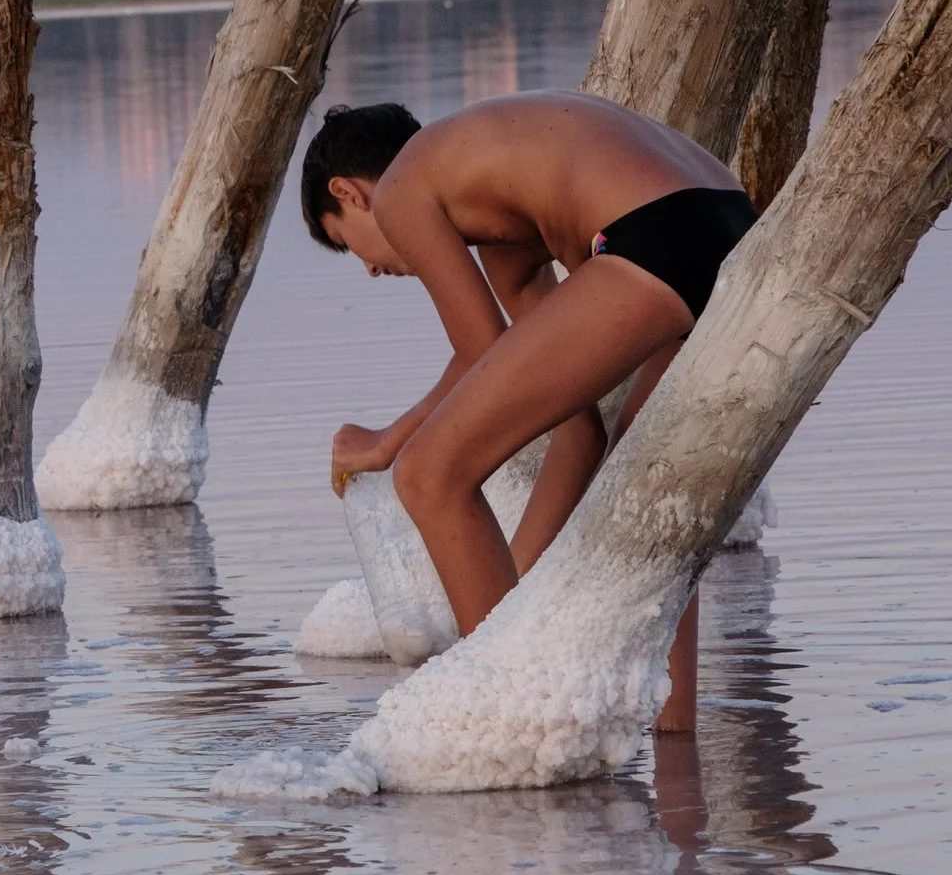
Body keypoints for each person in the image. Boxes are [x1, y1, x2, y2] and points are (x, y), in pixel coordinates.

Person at [302, 93, 759, 730]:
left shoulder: (403, 186)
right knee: (641, 487)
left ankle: (510, 723)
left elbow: (479, 351)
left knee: (428, 475)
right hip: (736, 226)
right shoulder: (501, 222)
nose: (371, 270)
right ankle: (673, 733)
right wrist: (510, 591)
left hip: (655, 233)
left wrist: (383, 444)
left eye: (345, 244)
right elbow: (576, 429)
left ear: (349, 193)